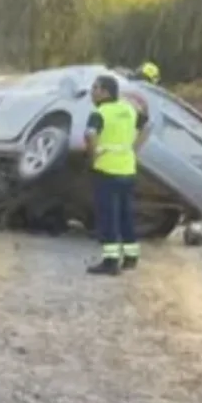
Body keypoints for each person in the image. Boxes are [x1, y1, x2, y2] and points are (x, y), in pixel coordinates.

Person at [84, 74, 150, 276]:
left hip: (107, 170)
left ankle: (111, 261)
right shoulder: (128, 109)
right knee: (125, 214)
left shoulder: (99, 113)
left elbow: (90, 134)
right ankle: (131, 256)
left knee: (108, 216)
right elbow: (146, 127)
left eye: (95, 88)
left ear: (105, 92)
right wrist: (134, 149)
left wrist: (94, 154)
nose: (92, 92)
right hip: (127, 169)